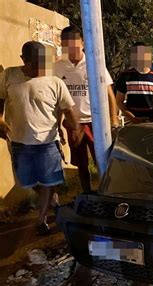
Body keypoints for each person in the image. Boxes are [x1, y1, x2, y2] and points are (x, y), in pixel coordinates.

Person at [0, 41, 80, 235]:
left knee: (48, 182)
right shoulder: (9, 75)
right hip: (19, 143)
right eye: (35, 64)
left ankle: (41, 218)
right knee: (28, 182)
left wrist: (75, 129)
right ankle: (52, 201)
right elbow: (0, 101)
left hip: (47, 144)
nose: (40, 69)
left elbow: (68, 109)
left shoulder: (54, 82)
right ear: (23, 60)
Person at [55, 26, 119, 192]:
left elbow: (110, 95)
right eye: (67, 46)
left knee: (102, 160)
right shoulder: (58, 68)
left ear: (82, 43)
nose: (72, 50)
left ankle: (107, 192)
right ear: (63, 46)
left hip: (96, 122)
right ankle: (87, 192)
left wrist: (113, 120)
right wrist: (58, 124)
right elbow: (58, 99)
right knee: (81, 163)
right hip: (73, 124)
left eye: (75, 45)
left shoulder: (95, 65)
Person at [115, 43, 153, 123]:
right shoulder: (125, 77)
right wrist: (133, 119)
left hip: (152, 122)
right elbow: (119, 101)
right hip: (131, 122)